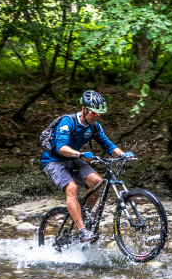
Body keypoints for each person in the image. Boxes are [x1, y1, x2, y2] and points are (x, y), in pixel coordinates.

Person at [41, 90, 135, 243]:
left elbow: (108, 145)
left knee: (97, 182)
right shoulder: (67, 122)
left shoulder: (94, 126)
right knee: (72, 188)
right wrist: (80, 154)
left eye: (99, 114)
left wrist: (123, 155)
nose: (96, 116)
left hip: (74, 159)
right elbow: (61, 148)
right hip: (54, 161)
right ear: (83, 109)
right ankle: (82, 229)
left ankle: (84, 216)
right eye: (93, 112)